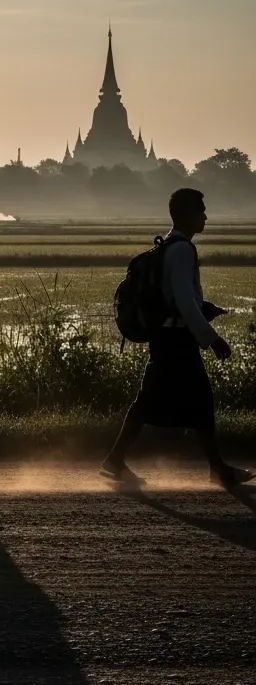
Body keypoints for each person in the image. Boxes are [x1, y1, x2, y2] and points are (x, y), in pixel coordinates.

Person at [101, 189, 252, 489]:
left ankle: (115, 459)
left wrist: (204, 310)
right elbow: (183, 300)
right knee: (199, 400)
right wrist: (211, 338)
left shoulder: (169, 246)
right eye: (201, 210)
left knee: (152, 401)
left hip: (166, 337)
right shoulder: (182, 250)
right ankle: (217, 469)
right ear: (187, 215)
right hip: (176, 339)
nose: (205, 216)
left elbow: (178, 298)